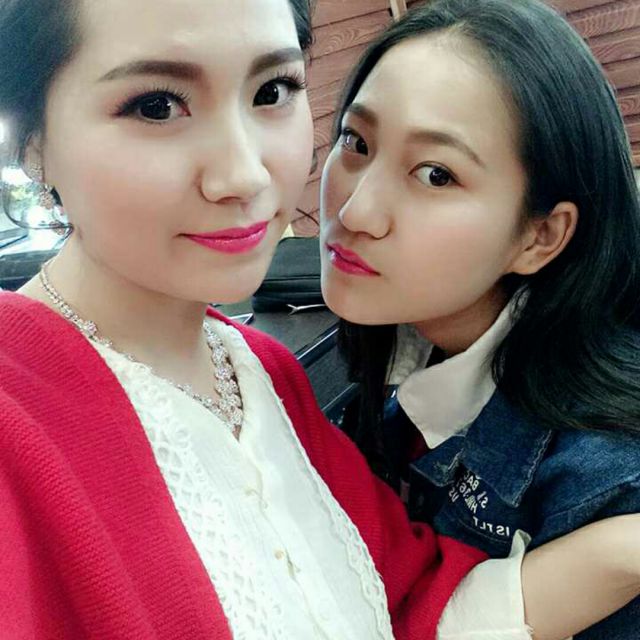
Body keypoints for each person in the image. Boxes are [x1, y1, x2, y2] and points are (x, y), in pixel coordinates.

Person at [0, 1, 638, 639]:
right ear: (31, 144)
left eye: (272, 91)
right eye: (156, 106)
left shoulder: (265, 372)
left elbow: (411, 600)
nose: (244, 175)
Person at [319, 0, 640, 637]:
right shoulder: (404, 350)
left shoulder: (606, 482)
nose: (355, 211)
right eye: (356, 143)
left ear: (540, 236)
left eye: (435, 174)